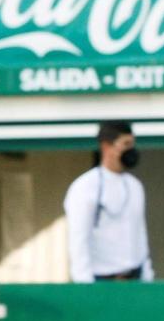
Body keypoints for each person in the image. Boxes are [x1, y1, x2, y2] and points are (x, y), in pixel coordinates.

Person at [64, 120, 154, 282]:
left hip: (134, 277)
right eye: (125, 144)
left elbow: (140, 234)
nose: (130, 150)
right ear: (106, 147)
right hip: (102, 279)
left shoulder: (135, 186)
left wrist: (147, 275)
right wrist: (84, 282)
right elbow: (79, 239)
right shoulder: (86, 186)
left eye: (132, 144)